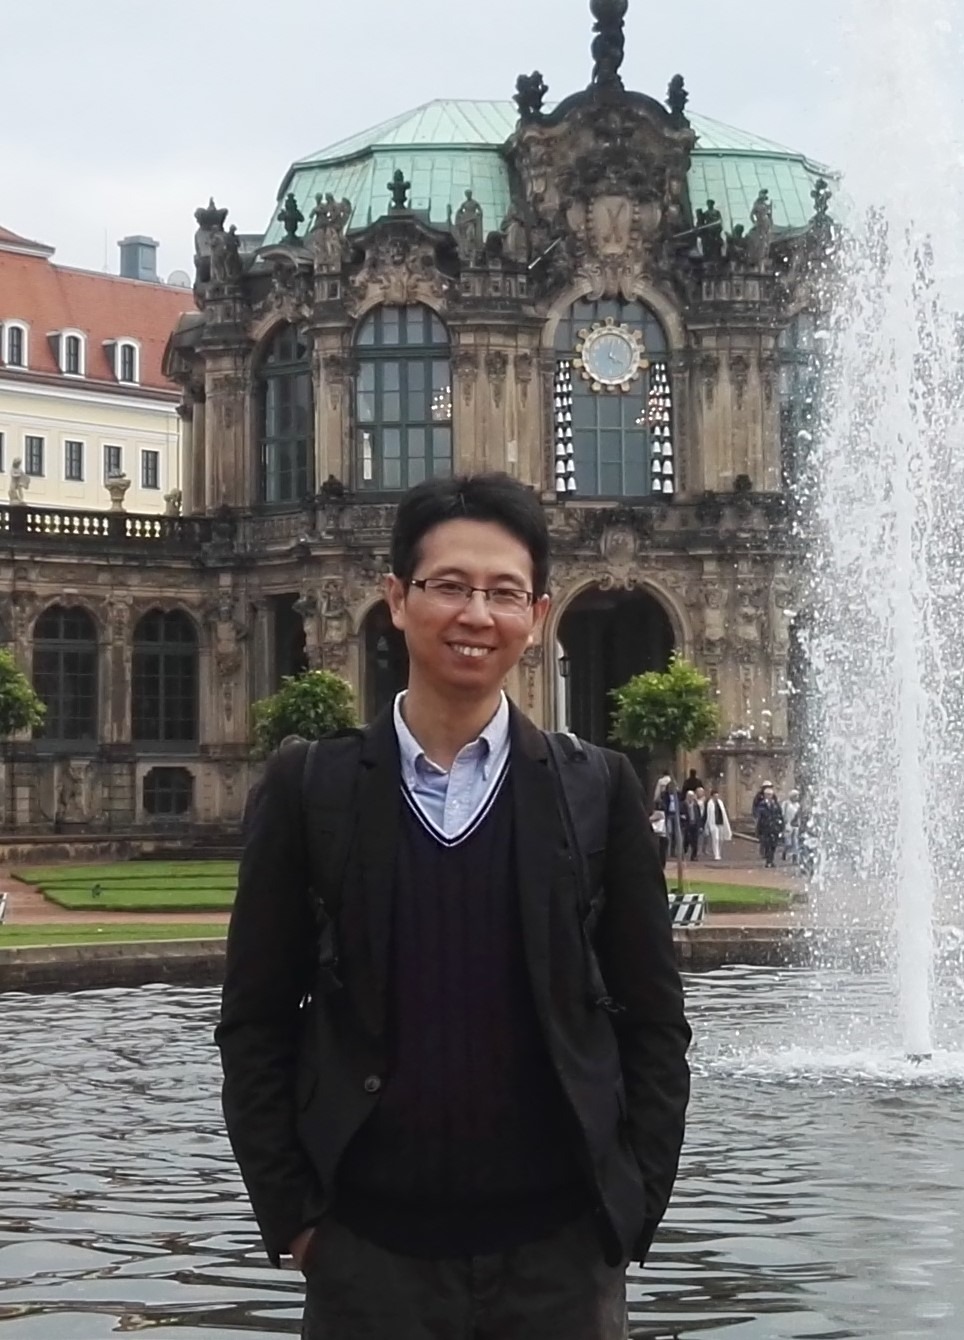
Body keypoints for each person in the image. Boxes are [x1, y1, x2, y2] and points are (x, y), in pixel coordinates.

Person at [217, 473, 691, 1340]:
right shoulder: (310, 786)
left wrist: (630, 1207)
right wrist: (295, 1217)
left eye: (504, 592)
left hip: (561, 1258)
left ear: (536, 616)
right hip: (367, 1259)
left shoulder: (598, 789)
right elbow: (255, 1019)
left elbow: (655, 1019)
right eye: (450, 586)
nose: (477, 614)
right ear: (397, 599)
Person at [756, 786, 784, 868]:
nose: (769, 796)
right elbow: (760, 816)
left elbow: (780, 815)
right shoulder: (762, 804)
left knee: (773, 845)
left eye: (770, 794)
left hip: (774, 827)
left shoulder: (775, 804)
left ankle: (771, 860)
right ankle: (768, 861)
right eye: (767, 794)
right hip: (766, 828)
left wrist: (780, 826)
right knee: (767, 845)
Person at [704, 787, 732, 862]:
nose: (716, 798)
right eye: (715, 796)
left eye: (717, 796)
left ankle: (719, 852)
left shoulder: (720, 802)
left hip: (720, 822)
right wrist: (708, 825)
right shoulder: (709, 803)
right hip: (713, 823)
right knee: (715, 838)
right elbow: (708, 814)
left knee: (720, 839)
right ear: (712, 796)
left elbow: (723, 812)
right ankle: (716, 854)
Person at [682, 788, 703, 862]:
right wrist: (683, 817)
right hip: (687, 825)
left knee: (695, 841)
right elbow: (681, 813)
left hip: (695, 824)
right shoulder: (684, 804)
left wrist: (700, 826)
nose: (691, 798)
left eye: (692, 796)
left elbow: (699, 815)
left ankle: (694, 856)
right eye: (689, 796)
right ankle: (683, 853)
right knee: (687, 840)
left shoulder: (696, 805)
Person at [782, 789, 801, 864]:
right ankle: (785, 851)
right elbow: (783, 813)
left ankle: (794, 858)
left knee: (795, 842)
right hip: (787, 824)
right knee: (788, 842)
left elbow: (799, 815)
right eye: (795, 796)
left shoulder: (798, 805)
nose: (797, 797)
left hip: (795, 825)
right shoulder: (786, 804)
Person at [650, 805, 668, 869]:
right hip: (658, 835)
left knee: (661, 852)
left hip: (661, 836)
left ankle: (661, 866)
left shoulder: (660, 813)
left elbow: (651, 818)